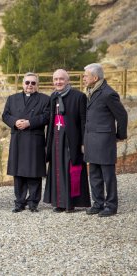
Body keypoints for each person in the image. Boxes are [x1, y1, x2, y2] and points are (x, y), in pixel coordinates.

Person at [83, 63, 128, 217]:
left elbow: (122, 116)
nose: (83, 78)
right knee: (94, 174)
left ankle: (111, 206)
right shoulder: (90, 91)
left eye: (86, 76)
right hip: (91, 140)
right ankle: (98, 204)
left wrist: (119, 135)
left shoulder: (108, 93)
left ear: (95, 78)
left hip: (104, 141)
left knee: (108, 176)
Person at [43, 69, 91, 212]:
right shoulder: (53, 96)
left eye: (61, 79)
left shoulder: (79, 96)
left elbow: (84, 121)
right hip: (56, 140)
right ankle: (59, 203)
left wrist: (83, 142)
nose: (58, 82)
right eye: (56, 79)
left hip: (71, 141)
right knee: (57, 171)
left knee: (70, 171)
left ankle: (70, 203)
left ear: (67, 80)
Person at [2, 72, 50, 213]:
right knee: (19, 172)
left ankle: (33, 202)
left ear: (37, 85)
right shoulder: (12, 98)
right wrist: (15, 122)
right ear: (23, 84)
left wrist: (30, 122)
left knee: (34, 172)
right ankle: (19, 202)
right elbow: (5, 115)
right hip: (18, 138)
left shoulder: (45, 99)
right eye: (27, 82)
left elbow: (47, 117)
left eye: (33, 83)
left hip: (34, 139)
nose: (30, 85)